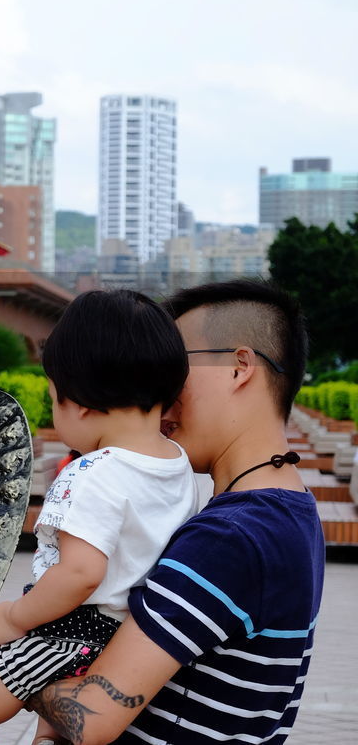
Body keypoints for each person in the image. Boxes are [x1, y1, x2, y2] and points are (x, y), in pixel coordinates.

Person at [25, 279, 324, 745]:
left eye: (174, 367)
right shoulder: (289, 508)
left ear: (239, 367)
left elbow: (94, 714)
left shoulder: (234, 534)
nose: (157, 392)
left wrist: (10, 653)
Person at [0, 289, 200, 744]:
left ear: (80, 402)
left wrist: (15, 617)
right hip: (128, 640)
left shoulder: (91, 472)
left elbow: (83, 572)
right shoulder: (177, 464)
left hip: (67, 631)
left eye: (54, 399)